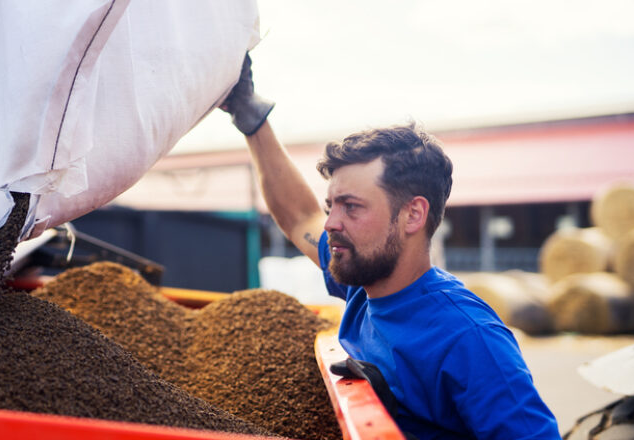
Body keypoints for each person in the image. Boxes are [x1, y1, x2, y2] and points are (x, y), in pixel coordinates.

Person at [220, 55, 561, 439]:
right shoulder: (362, 280)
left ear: (412, 215)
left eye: (352, 207)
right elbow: (300, 217)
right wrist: (251, 118)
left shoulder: (468, 339)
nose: (331, 223)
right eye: (332, 206)